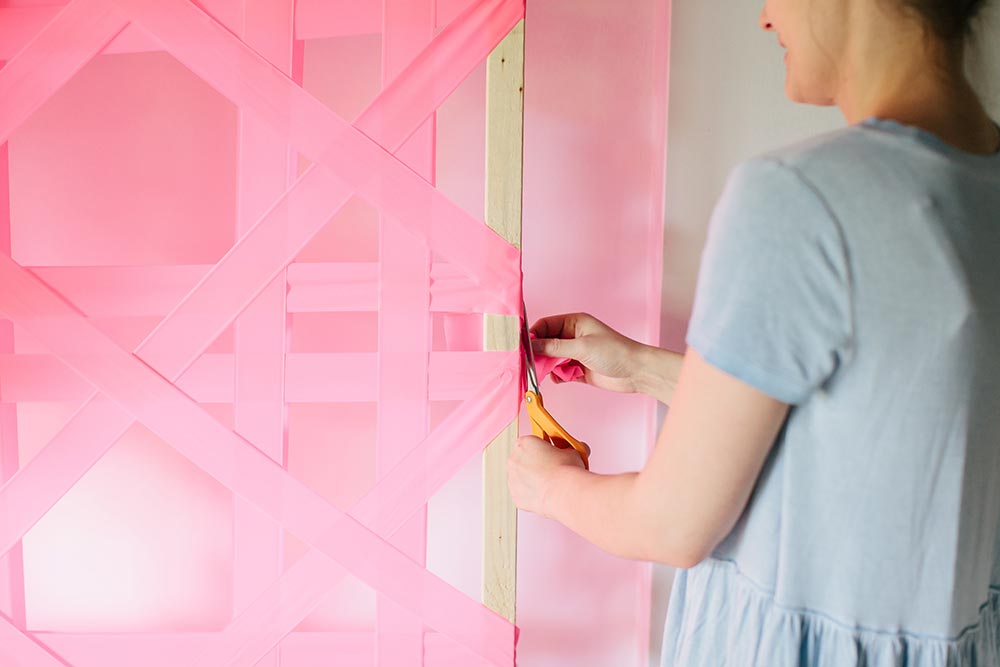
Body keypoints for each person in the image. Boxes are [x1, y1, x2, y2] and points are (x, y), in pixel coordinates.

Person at [506, 0, 1000, 664]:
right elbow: (885, 424)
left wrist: (551, 487)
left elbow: (671, 524)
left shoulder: (800, 198)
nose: (766, 18)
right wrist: (642, 368)